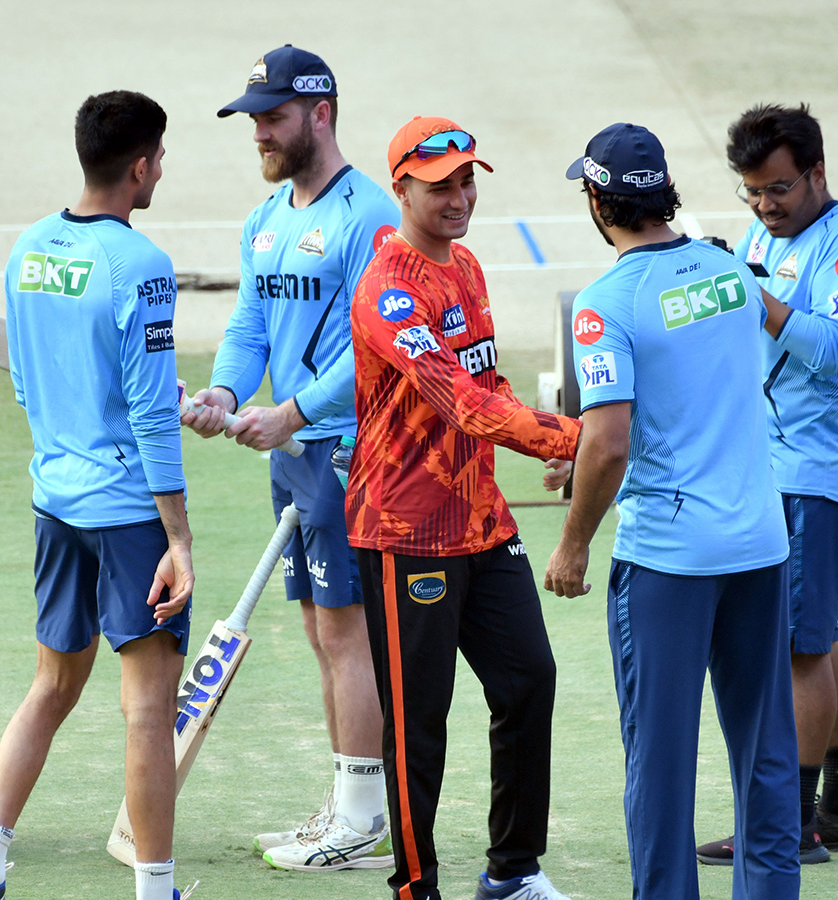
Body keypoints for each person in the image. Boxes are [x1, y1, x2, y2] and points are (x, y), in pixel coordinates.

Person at [545, 122, 801, 900]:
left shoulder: (605, 304)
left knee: (660, 762)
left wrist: (573, 542)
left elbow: (610, 442)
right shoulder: (727, 272)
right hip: (759, 544)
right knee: (766, 757)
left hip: (669, 562)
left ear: (597, 201)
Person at [0, 90, 194, 900]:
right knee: (148, 710)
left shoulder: (29, 250)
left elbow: (27, 381)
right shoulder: (142, 267)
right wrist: (180, 540)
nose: (162, 169)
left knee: (52, 686)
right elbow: (155, 416)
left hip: (55, 500)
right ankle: (155, 891)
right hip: (128, 514)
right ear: (138, 166)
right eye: (159, 157)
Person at [348, 115, 581, 900]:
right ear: (401, 188)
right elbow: (458, 403)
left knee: (529, 681)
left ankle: (513, 872)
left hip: (484, 523)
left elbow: (488, 384)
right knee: (420, 727)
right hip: (405, 532)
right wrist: (576, 435)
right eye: (439, 185)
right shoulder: (389, 287)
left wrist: (551, 441)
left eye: (466, 181)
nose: (458, 197)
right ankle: (417, 887)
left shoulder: (468, 267)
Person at [182, 43, 399, 872]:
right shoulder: (266, 220)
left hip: (347, 453)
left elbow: (378, 349)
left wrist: (296, 412)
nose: (259, 135)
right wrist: (226, 397)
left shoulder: (368, 218)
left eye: (272, 118)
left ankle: (363, 823)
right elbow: (249, 327)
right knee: (319, 629)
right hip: (294, 450)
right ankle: (350, 805)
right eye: (253, 120)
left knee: (347, 635)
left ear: (321, 114)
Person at [692, 103, 838, 866]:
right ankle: (833, 808)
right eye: (752, 192)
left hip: (820, 473)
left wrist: (766, 304)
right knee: (820, 643)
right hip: (774, 465)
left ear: (817, 173)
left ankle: (792, 823)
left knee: (800, 652)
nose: (763, 206)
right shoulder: (764, 234)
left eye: (778, 189)